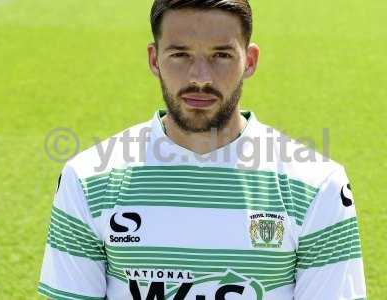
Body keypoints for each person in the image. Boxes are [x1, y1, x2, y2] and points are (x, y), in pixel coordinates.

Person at [38, 0, 367, 299]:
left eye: (221, 55)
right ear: (155, 59)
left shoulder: (317, 185)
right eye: (180, 55)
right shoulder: (87, 179)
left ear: (249, 61)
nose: (199, 77)